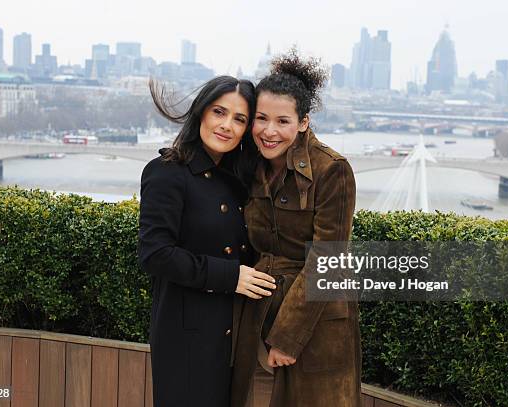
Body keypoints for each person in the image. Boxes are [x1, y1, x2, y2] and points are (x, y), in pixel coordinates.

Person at [231, 50, 361, 406]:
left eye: (283, 121)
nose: (269, 131)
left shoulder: (331, 169)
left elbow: (327, 260)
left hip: (315, 319)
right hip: (256, 308)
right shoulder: (249, 163)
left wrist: (288, 337)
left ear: (303, 122)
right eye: (261, 119)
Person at [138, 76, 277, 407]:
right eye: (219, 112)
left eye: (240, 119)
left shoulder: (239, 179)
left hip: (233, 336)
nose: (227, 125)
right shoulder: (167, 172)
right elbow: (155, 254)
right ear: (201, 112)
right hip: (186, 338)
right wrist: (232, 276)